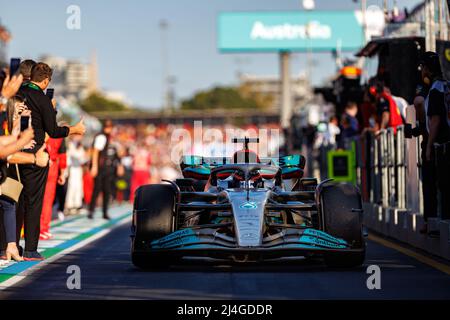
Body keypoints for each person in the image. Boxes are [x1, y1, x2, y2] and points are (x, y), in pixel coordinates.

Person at [16, 62, 85, 261]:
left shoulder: (17, 93)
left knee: (14, 200)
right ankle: (30, 249)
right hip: (35, 153)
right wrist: (73, 129)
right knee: (34, 201)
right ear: (45, 81)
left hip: (13, 149)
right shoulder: (41, 98)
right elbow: (53, 131)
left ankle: (8, 245)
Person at [0, 95, 49, 261]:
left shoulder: (17, 124)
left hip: (8, 173)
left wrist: (22, 137)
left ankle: (10, 246)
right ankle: (9, 246)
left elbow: (17, 139)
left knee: (10, 205)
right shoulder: (5, 123)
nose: (23, 110)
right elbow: (9, 150)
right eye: (19, 108)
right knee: (9, 205)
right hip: (7, 171)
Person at [419, 52, 450, 230]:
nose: (421, 71)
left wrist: (429, 145)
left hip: (442, 145)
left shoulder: (436, 89)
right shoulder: (446, 86)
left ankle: (440, 225)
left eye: (422, 67)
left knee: (440, 186)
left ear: (427, 69)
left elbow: (436, 120)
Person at [89, 119, 123, 219]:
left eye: (110, 127)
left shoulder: (110, 139)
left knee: (107, 190)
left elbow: (118, 154)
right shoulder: (101, 137)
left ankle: (104, 212)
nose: (108, 129)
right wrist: (94, 166)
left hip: (108, 169)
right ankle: (91, 211)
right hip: (100, 168)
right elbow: (95, 152)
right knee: (97, 189)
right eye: (107, 127)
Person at [65, 136, 86, 214]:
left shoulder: (80, 145)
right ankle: (70, 206)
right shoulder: (70, 144)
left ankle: (77, 205)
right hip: (72, 168)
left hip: (78, 168)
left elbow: (83, 158)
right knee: (72, 187)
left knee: (79, 187)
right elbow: (74, 155)